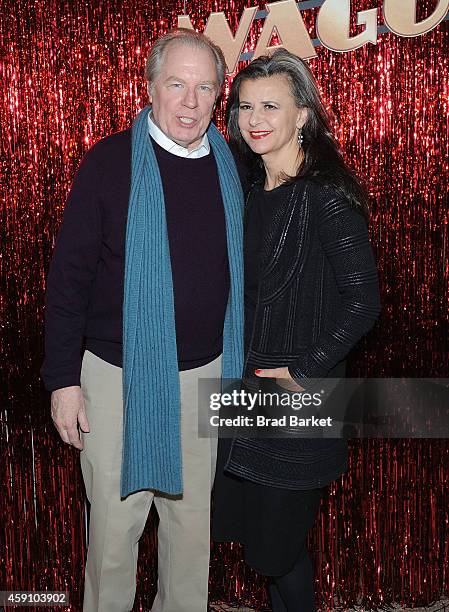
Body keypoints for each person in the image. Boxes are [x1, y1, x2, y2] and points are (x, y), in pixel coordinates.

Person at [41, 29, 244, 612]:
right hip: (114, 379)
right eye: (176, 84)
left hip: (204, 375)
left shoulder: (233, 168)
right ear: (150, 87)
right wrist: (63, 381)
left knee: (190, 540)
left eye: (204, 87)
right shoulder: (109, 163)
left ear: (218, 96)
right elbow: (69, 280)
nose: (189, 101)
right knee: (112, 535)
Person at [212, 48, 381, 611]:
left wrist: (305, 369)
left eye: (270, 106)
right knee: (260, 547)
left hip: (297, 397)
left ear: (302, 114)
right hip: (242, 392)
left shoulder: (325, 195)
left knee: (277, 552)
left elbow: (362, 300)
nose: (254, 119)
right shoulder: (244, 192)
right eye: (243, 107)